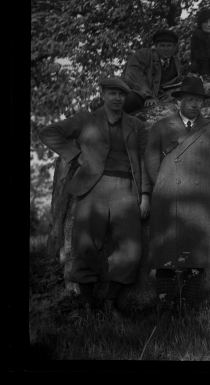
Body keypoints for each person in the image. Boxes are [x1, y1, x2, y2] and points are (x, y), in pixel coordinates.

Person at [38, 77, 150, 319]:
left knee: (132, 250)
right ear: (102, 94)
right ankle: (88, 305)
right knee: (84, 245)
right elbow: (48, 132)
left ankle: (111, 302)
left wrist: (145, 194)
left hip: (125, 189)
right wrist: (75, 155)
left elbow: (142, 160)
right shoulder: (85, 119)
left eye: (122, 94)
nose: (117, 98)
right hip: (92, 189)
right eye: (112, 93)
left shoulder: (136, 125)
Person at [144, 76, 210, 327]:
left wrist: (206, 190)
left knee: (197, 254)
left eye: (199, 100)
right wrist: (164, 185)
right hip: (168, 199)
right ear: (179, 101)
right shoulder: (162, 127)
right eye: (190, 99)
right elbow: (151, 164)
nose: (195, 104)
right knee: (166, 253)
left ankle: (188, 306)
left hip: (200, 201)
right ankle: (165, 307)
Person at [122, 29, 184, 113]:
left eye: (169, 46)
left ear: (174, 47)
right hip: (138, 93)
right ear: (156, 46)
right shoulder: (144, 54)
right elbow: (133, 73)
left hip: (158, 99)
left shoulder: (177, 64)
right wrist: (148, 95)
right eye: (162, 46)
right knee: (127, 100)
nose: (166, 49)